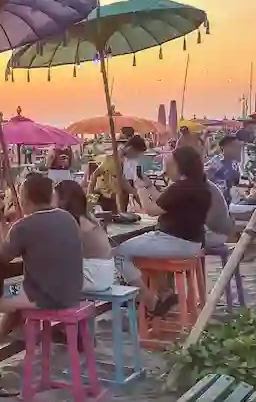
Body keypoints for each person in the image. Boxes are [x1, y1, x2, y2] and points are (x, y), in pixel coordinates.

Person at [0, 173, 82, 360]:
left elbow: (2, 257)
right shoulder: (67, 218)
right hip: (71, 292)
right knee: (16, 291)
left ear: (24, 198)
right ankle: (2, 337)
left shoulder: (25, 226)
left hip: (44, 297)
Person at [114, 145, 211, 317]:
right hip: (192, 243)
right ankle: (165, 292)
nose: (166, 168)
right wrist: (149, 186)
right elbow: (164, 201)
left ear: (180, 165)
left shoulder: (181, 187)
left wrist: (139, 188)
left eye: (170, 164)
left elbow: (151, 209)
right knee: (141, 251)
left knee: (119, 253)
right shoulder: (198, 186)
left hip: (176, 242)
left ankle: (150, 301)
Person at [54, 180, 114, 292]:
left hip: (94, 277)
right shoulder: (87, 216)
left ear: (63, 200)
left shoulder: (72, 221)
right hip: (106, 274)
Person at [87, 136, 147, 213]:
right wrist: (90, 202)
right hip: (105, 195)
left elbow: (128, 184)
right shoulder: (113, 160)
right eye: (137, 154)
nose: (136, 157)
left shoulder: (124, 160)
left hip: (115, 196)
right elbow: (94, 177)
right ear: (131, 149)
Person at [206, 135, 242, 205]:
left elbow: (235, 183)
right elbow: (204, 180)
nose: (237, 149)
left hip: (226, 201)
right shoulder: (216, 162)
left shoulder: (234, 164)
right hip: (214, 202)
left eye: (238, 147)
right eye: (233, 146)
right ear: (223, 147)